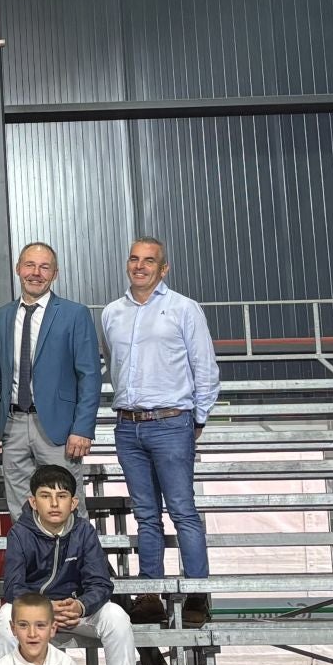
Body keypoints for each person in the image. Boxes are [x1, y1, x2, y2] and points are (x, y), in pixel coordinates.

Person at [101, 237, 220, 622]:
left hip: (171, 421)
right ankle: (149, 592)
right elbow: (113, 365)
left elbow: (205, 367)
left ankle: (198, 594)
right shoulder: (112, 313)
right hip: (129, 425)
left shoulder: (183, 309)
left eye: (149, 261)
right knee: (146, 514)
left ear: (163, 269)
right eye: (134, 259)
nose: (140, 266)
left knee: (183, 510)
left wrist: (196, 418)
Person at [0, 463, 151, 665]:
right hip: (38, 616)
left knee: (115, 616)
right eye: (45, 496)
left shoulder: (83, 531)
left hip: (76, 611)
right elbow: (12, 587)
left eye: (62, 496)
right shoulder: (20, 533)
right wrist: (45, 609)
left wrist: (80, 606)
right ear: (33, 501)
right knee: (5, 618)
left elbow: (101, 583)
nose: (54, 503)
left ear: (73, 502)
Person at [0, 242, 104, 518]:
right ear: (18, 269)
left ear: (55, 274)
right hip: (12, 427)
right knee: (20, 511)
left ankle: (74, 561)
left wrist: (83, 428)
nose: (36, 273)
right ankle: (32, 562)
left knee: (67, 508)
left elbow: (90, 376)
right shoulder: (1, 317)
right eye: (29, 265)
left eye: (44, 267)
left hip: (58, 430)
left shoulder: (75, 314)